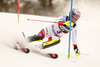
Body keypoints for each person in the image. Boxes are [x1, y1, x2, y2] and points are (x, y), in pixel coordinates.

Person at [15, 8, 81, 56]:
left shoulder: (74, 26)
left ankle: (39, 47)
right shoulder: (64, 18)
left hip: (55, 36)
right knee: (39, 37)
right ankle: (22, 41)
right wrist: (64, 23)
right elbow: (56, 21)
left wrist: (75, 48)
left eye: (78, 17)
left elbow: (74, 37)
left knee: (57, 40)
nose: (76, 18)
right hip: (49, 30)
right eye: (75, 15)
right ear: (71, 14)